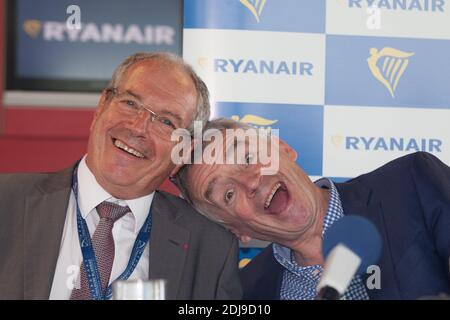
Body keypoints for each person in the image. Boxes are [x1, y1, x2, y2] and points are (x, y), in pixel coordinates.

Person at [0, 53, 242, 300]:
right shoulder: (6, 201)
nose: (138, 128)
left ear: (184, 152)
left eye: (166, 121)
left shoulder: (211, 250)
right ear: (102, 105)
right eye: (130, 104)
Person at [175, 118, 450, 300]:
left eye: (248, 157)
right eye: (229, 194)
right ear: (236, 231)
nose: (251, 181)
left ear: (283, 148)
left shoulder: (411, 184)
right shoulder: (248, 294)